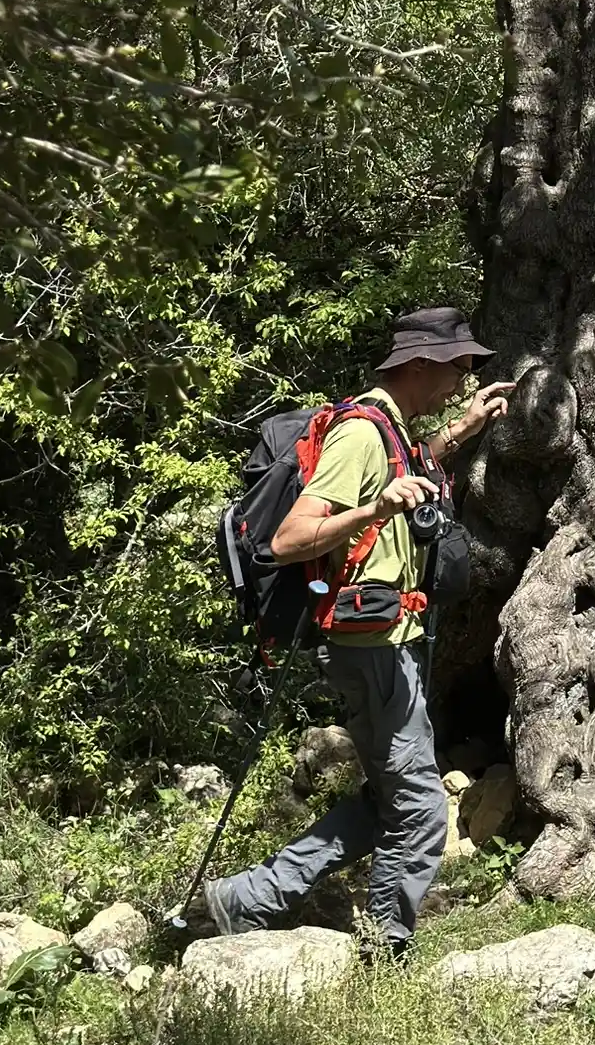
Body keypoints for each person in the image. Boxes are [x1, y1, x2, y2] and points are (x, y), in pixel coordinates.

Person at [204, 307, 514, 960]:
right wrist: (373, 509)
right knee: (425, 816)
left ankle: (244, 901)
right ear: (422, 363)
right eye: (458, 367)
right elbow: (289, 540)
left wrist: (466, 427)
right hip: (370, 653)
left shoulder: (392, 430)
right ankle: (384, 953)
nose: (461, 378)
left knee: (387, 804)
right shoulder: (361, 434)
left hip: (386, 645)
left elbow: (410, 466)